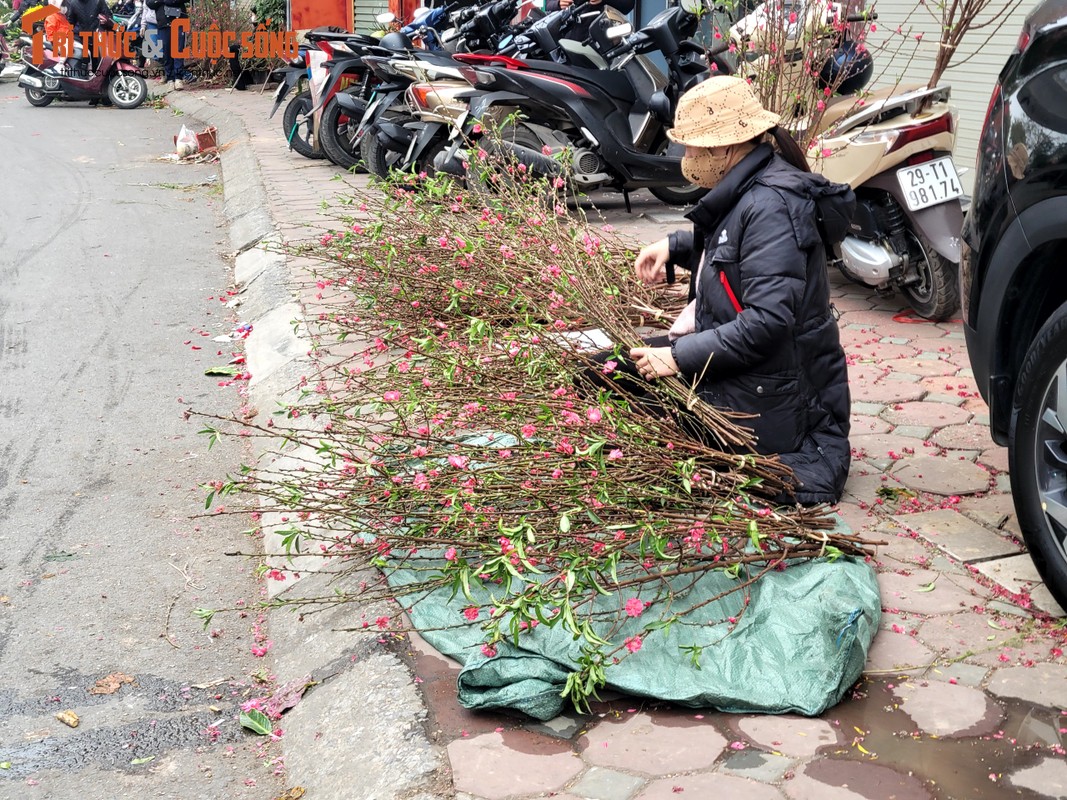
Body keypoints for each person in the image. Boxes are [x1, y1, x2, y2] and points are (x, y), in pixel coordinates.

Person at [591, 76, 855, 506]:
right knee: (605, 369)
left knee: (628, 405)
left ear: (724, 148)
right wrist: (674, 247)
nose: (687, 157)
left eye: (692, 147)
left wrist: (675, 357)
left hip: (775, 397)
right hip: (756, 371)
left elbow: (767, 323)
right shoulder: (752, 184)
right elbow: (734, 246)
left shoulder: (771, 204)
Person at [146, 0, 191, 89]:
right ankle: (170, 78)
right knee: (166, 50)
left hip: (179, 19)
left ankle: (178, 78)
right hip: (163, 22)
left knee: (178, 49)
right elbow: (150, 3)